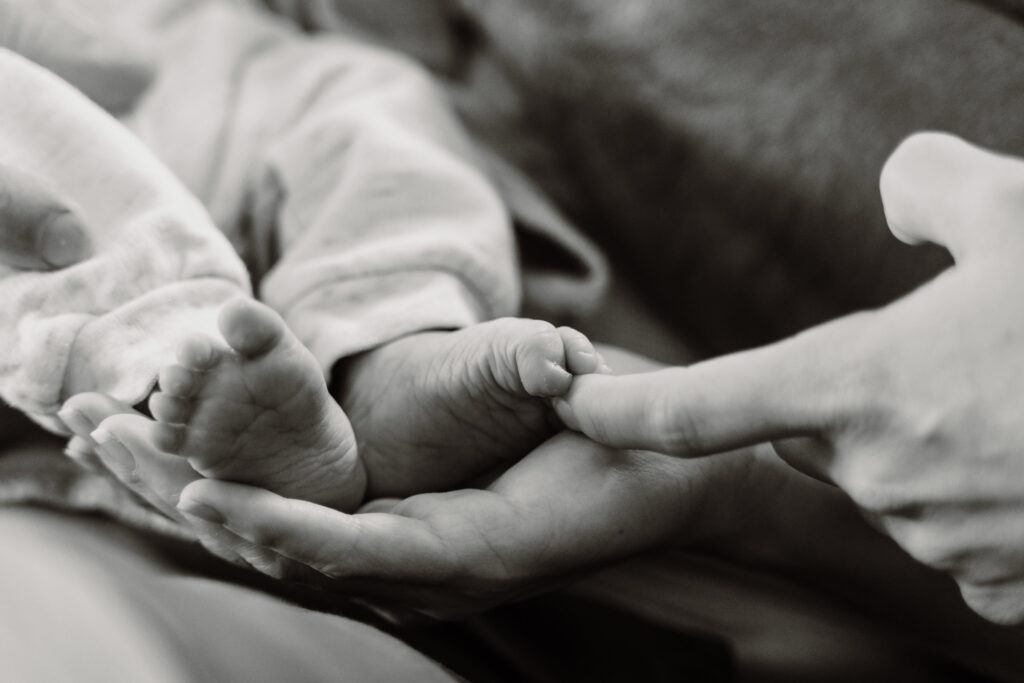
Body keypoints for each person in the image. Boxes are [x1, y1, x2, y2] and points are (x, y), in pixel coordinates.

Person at [0, 0, 603, 514]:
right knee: (46, 193)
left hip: (230, 75)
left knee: (372, 104)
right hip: (57, 131)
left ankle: (382, 355)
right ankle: (174, 376)